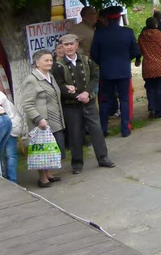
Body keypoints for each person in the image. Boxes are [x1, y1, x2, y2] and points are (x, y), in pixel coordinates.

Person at [51, 34, 115, 174]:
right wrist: (75, 96)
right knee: (75, 133)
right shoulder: (57, 66)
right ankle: (77, 163)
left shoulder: (87, 60)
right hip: (71, 105)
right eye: (65, 45)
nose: (68, 47)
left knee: (96, 130)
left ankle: (103, 158)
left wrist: (87, 93)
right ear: (61, 47)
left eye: (71, 44)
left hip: (89, 102)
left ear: (76, 45)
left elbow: (94, 76)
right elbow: (58, 85)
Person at [19, 50, 66, 187]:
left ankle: (49, 174)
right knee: (41, 150)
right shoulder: (31, 80)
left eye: (51, 60)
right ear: (37, 63)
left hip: (53, 120)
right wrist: (39, 119)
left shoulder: (49, 76)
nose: (50, 63)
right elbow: (27, 104)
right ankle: (42, 178)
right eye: (46, 60)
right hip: (41, 122)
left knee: (50, 148)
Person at [91, 6, 140, 136]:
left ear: (107, 19)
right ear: (119, 18)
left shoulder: (99, 33)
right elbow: (135, 51)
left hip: (106, 72)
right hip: (123, 71)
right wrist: (125, 60)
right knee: (125, 99)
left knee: (105, 101)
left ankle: (103, 129)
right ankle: (125, 129)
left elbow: (94, 54)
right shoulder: (128, 32)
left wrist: (103, 63)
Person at [137, 18, 161, 119]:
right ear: (156, 25)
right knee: (160, 89)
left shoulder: (142, 37)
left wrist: (137, 60)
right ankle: (159, 110)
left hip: (148, 66)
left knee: (150, 89)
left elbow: (139, 50)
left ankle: (152, 108)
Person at [0, 90, 25, 183]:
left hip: (8, 122)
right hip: (12, 123)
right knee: (11, 155)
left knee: (9, 155)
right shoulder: (2, 95)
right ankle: (12, 181)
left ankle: (6, 182)